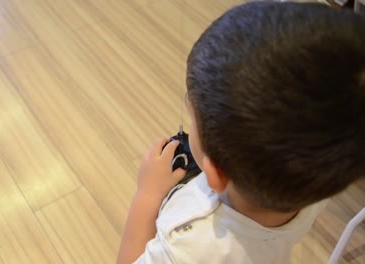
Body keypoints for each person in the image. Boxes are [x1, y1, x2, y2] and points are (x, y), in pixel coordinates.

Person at [117, 1, 365, 263]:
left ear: (217, 173)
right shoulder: (324, 164)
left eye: (193, 118)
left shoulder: (187, 246)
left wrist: (147, 195)